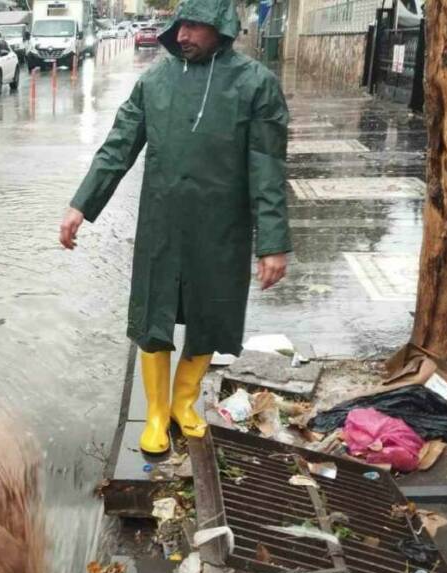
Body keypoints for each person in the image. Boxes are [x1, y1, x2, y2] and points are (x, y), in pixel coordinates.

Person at [58, 0, 291, 455]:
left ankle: (185, 404)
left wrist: (273, 243)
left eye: (194, 26)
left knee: (210, 312)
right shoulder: (155, 81)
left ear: (221, 27)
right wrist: (80, 205)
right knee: (153, 316)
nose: (182, 35)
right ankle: (156, 412)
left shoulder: (256, 85)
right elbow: (118, 147)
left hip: (222, 225)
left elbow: (267, 168)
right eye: (179, 25)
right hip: (162, 222)